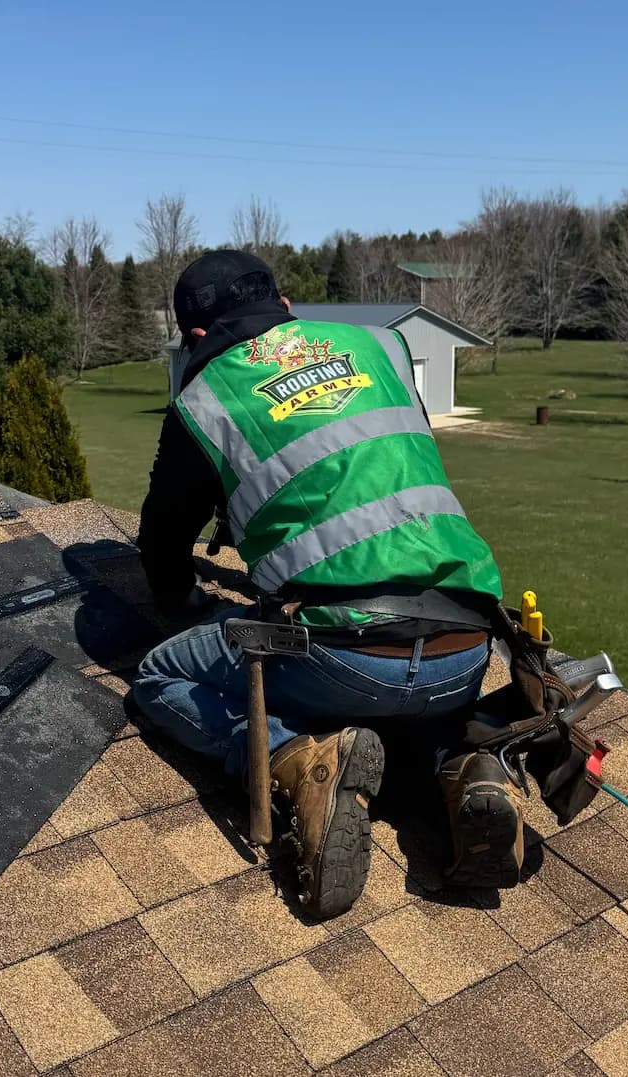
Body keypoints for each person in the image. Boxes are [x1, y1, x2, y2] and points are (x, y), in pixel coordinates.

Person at [133, 250, 523, 920]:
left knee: (158, 676)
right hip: (467, 645)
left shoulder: (206, 396)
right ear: (284, 306)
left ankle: (298, 757)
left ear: (196, 339)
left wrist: (183, 602)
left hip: (343, 655)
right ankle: (462, 768)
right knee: (403, 715)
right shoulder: (381, 346)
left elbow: (164, 541)